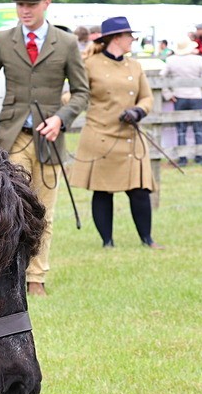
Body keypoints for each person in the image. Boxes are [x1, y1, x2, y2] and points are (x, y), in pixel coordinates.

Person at [0, 0, 89, 296]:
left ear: (47, 3)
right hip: (13, 135)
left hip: (48, 141)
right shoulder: (4, 40)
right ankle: (8, 275)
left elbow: (81, 94)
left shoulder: (67, 43)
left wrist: (61, 119)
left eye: (31, 5)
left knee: (44, 209)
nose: (24, 11)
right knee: (9, 209)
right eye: (20, 5)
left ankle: (37, 278)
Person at [69, 18, 162, 249]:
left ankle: (147, 240)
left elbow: (147, 97)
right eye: (129, 35)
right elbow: (76, 95)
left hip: (130, 135)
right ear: (116, 38)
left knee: (140, 189)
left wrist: (138, 111)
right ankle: (107, 242)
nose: (133, 39)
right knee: (103, 191)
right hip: (100, 136)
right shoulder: (90, 64)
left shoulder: (135, 66)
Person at [160, 38, 202, 164]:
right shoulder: (198, 60)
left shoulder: (171, 60)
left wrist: (168, 94)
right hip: (196, 96)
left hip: (179, 96)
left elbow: (161, 77)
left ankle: (182, 158)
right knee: (198, 128)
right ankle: (200, 157)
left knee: (181, 129)